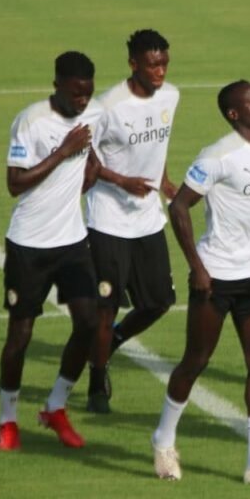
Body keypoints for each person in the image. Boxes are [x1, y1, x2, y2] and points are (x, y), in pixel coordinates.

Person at [150, 80, 250, 486]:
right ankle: (163, 440)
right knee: (195, 360)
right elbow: (179, 207)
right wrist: (197, 266)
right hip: (216, 277)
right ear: (234, 114)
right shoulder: (218, 156)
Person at [0, 51, 106, 450]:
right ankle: (8, 418)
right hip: (29, 244)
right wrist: (63, 151)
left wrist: (82, 179)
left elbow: (91, 159)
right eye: (76, 93)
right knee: (20, 336)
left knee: (90, 324)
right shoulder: (31, 121)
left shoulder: (91, 114)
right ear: (57, 83)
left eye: (88, 94)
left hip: (72, 242)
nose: (82, 101)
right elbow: (15, 182)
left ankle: (55, 406)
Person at [84, 29, 179, 414]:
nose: (160, 71)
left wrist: (165, 180)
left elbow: (158, 145)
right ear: (133, 64)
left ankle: (116, 339)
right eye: (152, 64)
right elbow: (86, 158)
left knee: (159, 301)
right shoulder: (107, 106)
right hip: (108, 219)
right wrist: (122, 181)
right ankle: (95, 384)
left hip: (148, 219)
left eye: (164, 63)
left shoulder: (171, 95)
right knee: (105, 307)